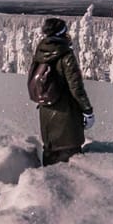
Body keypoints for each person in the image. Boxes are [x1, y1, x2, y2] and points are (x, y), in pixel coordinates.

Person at [31, 17, 94, 165]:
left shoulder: (41, 52)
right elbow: (76, 88)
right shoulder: (66, 55)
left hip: (46, 112)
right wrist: (88, 111)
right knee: (70, 165)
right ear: (61, 33)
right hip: (66, 117)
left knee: (50, 155)